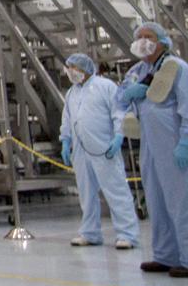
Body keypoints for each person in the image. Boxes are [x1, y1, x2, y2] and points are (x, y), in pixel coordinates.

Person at [119, 22, 188, 277]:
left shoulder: (177, 68)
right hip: (149, 144)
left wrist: (186, 141)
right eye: (139, 37)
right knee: (156, 200)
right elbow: (121, 96)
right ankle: (165, 255)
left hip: (174, 143)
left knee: (183, 200)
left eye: (148, 37)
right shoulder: (138, 70)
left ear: (162, 41)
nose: (143, 41)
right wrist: (129, 93)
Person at [59, 53, 140, 250]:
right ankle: (90, 232)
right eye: (68, 68)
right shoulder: (71, 93)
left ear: (84, 69)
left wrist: (119, 135)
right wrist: (65, 140)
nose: (70, 72)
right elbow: (67, 118)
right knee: (86, 193)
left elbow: (119, 112)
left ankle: (127, 234)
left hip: (104, 147)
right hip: (80, 149)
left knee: (116, 190)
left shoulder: (105, 87)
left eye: (73, 68)